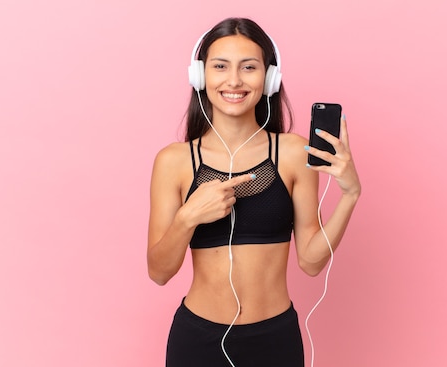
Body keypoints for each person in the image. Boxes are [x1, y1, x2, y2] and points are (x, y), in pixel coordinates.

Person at [147, 17, 361, 367]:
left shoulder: (293, 153)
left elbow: (310, 261)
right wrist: (189, 217)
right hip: (197, 341)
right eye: (220, 67)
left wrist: (350, 194)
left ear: (269, 78)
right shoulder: (174, 161)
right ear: (200, 76)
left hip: (274, 340)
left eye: (248, 67)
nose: (234, 80)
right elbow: (159, 272)